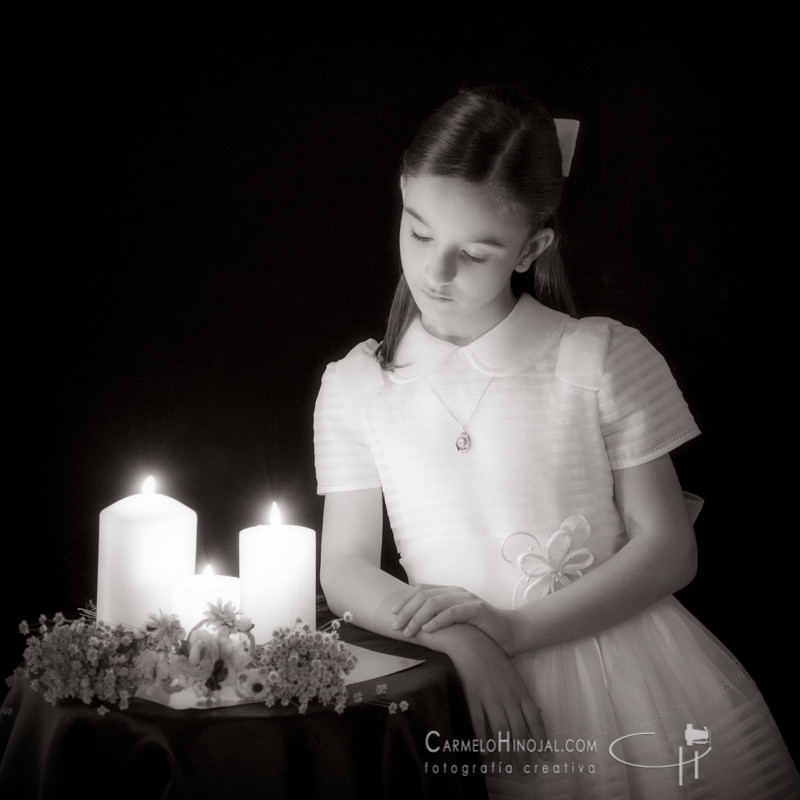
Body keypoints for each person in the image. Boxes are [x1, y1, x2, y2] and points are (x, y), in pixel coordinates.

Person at [313, 84, 799, 798]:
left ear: (531, 247)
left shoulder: (596, 358)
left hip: (631, 681)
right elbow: (345, 571)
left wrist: (512, 629)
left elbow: (669, 548)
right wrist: (463, 641)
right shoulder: (359, 386)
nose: (436, 273)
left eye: (475, 253)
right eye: (419, 233)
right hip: (460, 687)